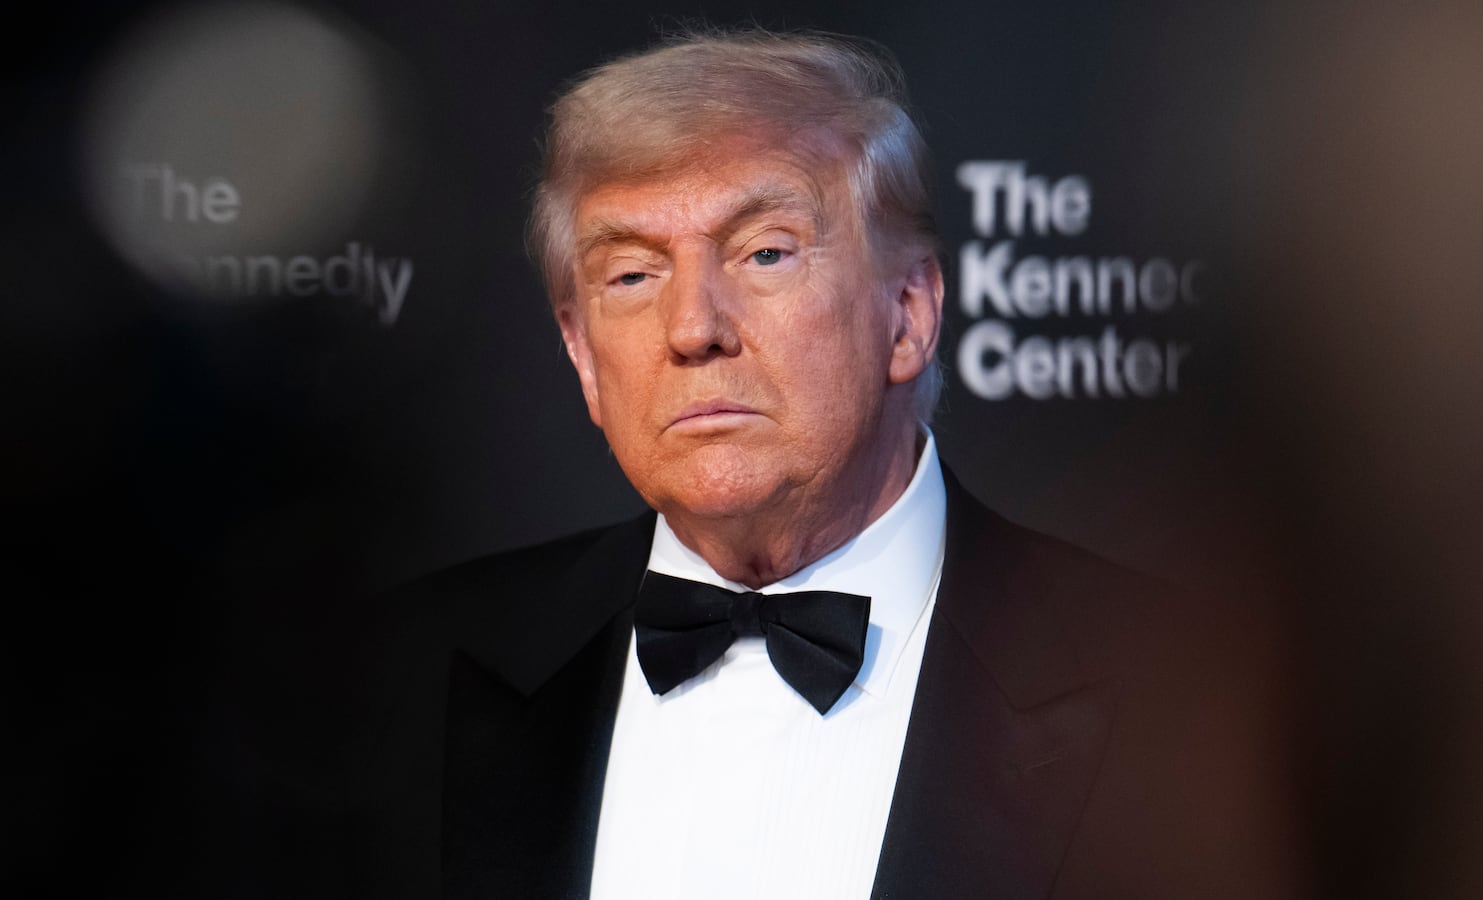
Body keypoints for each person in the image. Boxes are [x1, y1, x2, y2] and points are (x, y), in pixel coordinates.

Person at [362, 27, 1305, 900]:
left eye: (765, 253)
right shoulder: (400, 673)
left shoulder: (1174, 698)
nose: (693, 328)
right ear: (581, 357)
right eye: (633, 274)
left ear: (909, 314)